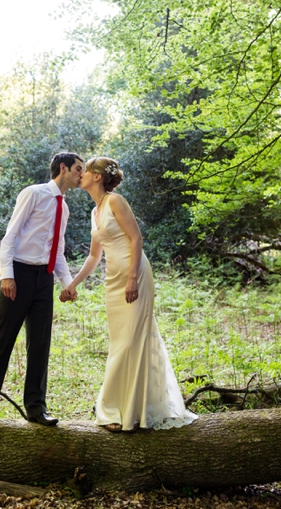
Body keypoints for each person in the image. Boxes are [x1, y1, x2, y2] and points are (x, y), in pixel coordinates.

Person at [64, 157, 197, 433]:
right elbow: (93, 256)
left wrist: (133, 278)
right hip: (112, 281)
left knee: (130, 343)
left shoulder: (116, 201)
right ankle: (131, 410)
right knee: (121, 344)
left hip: (134, 277)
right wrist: (73, 284)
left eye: (86, 170)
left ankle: (116, 410)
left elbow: (137, 238)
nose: (82, 175)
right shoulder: (94, 211)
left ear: (97, 177)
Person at [0, 152, 84, 431]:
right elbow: (11, 236)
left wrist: (66, 283)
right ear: (63, 168)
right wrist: (6, 275)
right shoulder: (33, 194)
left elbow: (57, 251)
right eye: (79, 169)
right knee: (2, 342)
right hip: (18, 276)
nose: (82, 174)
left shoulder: (64, 208)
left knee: (40, 344)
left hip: (43, 280)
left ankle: (36, 409)